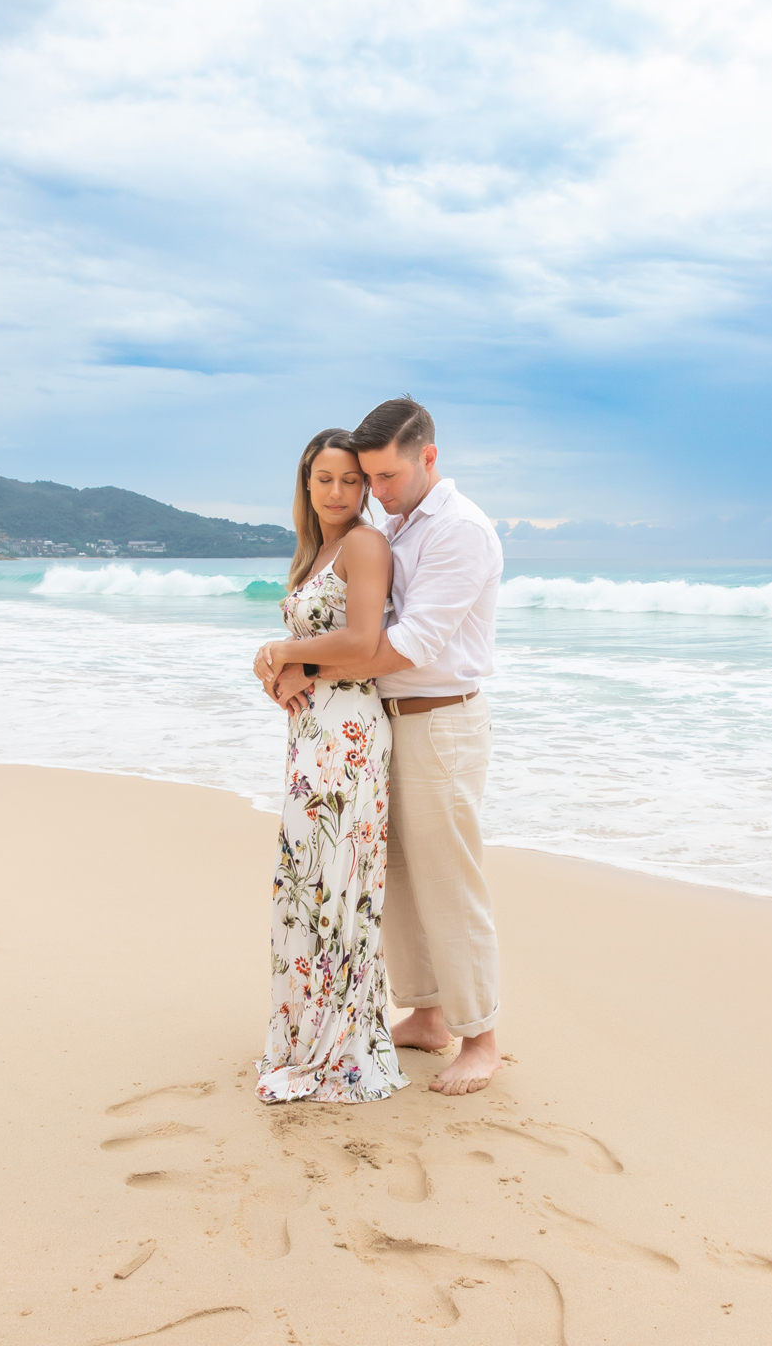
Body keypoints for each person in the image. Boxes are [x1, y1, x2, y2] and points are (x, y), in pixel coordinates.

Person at [259, 397, 505, 1096]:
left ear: (429, 456)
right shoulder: (399, 526)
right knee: (392, 876)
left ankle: (481, 1035)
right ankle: (427, 1014)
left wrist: (299, 664)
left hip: (440, 717)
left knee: (449, 878)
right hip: (387, 718)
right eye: (371, 478)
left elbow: (407, 645)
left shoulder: (458, 531)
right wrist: (293, 667)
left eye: (387, 476)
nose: (378, 492)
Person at [248, 429, 408, 1104]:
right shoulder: (316, 548)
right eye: (325, 480)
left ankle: (339, 1046)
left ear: (365, 487)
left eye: (350, 480)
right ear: (306, 484)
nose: (338, 492)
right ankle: (307, 1028)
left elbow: (365, 641)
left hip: (347, 734)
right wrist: (277, 671)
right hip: (313, 734)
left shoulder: (367, 544)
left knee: (337, 883)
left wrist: (283, 652)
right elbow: (312, 651)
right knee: (309, 881)